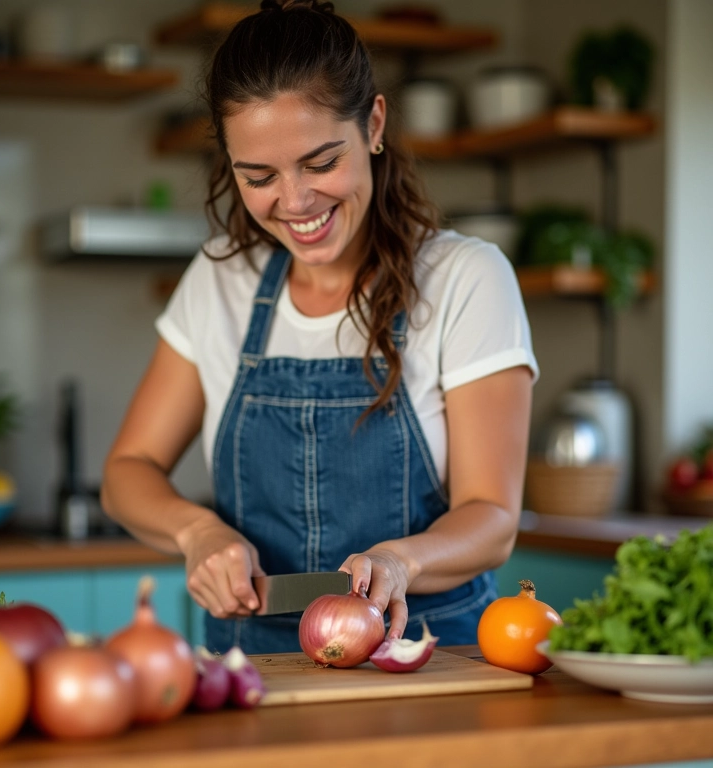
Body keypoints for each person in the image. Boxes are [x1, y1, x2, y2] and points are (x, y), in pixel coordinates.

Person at [101, 0, 538, 654]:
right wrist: (197, 533)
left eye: (320, 161)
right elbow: (127, 472)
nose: (296, 202)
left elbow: (493, 518)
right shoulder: (221, 281)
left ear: (374, 125)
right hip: (253, 663)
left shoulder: (466, 279)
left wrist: (400, 562)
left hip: (428, 654)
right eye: (259, 176)